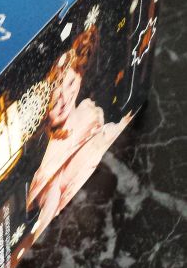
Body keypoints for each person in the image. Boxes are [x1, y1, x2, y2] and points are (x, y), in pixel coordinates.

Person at [26, 27, 132, 242]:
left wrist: (121, 125)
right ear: (44, 109)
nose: (65, 99)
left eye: (71, 83)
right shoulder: (52, 153)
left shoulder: (87, 110)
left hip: (109, 189)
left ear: (80, 77)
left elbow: (102, 137)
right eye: (55, 99)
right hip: (79, 217)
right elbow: (51, 199)